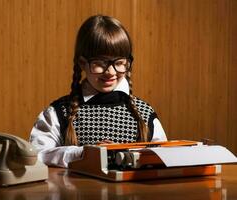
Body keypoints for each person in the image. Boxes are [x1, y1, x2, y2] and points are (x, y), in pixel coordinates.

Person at [29, 15, 167, 168]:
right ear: (82, 63)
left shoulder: (145, 113)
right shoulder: (58, 112)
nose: (110, 72)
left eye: (119, 63)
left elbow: (163, 159)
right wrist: (85, 154)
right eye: (99, 63)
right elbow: (36, 155)